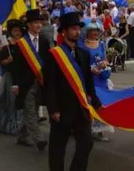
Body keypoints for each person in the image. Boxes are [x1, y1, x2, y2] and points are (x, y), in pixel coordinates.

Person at [45, 12, 102, 171]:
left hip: (80, 107)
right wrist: (53, 108)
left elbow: (88, 81)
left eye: (78, 28)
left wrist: (95, 101)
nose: (77, 31)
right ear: (64, 32)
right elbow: (50, 84)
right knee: (58, 147)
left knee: (86, 143)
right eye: (73, 29)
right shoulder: (54, 55)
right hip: (62, 108)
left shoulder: (83, 53)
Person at [8, 9, 50, 150]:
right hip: (25, 83)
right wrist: (15, 84)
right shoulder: (22, 43)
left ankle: (22, 135)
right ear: (29, 25)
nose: (38, 25)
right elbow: (16, 66)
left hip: (40, 81)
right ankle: (38, 140)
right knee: (31, 110)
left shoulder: (44, 41)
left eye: (40, 22)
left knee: (33, 109)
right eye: (35, 23)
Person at [0, 19, 25, 135]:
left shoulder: (24, 43)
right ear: (11, 32)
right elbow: (1, 61)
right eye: (15, 31)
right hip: (10, 76)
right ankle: (8, 124)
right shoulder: (6, 44)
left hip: (22, 75)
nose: (17, 33)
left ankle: (20, 125)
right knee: (9, 101)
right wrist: (7, 61)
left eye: (19, 31)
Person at [79, 22, 114, 142]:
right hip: (88, 78)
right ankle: (87, 130)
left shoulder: (102, 44)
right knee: (88, 103)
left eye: (97, 30)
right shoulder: (81, 45)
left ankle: (100, 131)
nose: (95, 33)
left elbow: (105, 58)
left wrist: (105, 64)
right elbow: (79, 62)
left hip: (101, 79)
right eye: (92, 30)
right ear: (87, 31)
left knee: (101, 103)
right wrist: (90, 69)